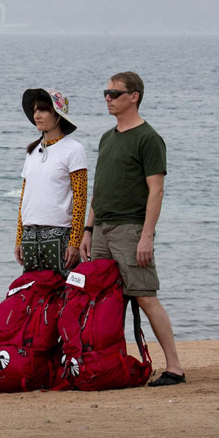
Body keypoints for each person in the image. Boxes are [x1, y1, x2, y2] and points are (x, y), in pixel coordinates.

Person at [80, 72, 184, 387]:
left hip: (130, 228)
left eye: (115, 93)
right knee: (101, 298)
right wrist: (88, 229)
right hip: (102, 230)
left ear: (134, 96)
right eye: (106, 93)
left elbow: (157, 191)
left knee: (144, 296)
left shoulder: (148, 138)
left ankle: (175, 368)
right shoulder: (107, 137)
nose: (108, 98)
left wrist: (146, 236)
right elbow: (100, 188)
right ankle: (106, 363)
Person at [15, 88, 89, 276]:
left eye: (43, 110)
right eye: (34, 111)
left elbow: (80, 198)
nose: (37, 115)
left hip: (60, 234)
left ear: (57, 115)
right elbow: (25, 198)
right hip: (30, 235)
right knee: (34, 295)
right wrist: (19, 239)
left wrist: (74, 242)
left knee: (64, 294)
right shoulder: (32, 151)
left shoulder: (73, 149)